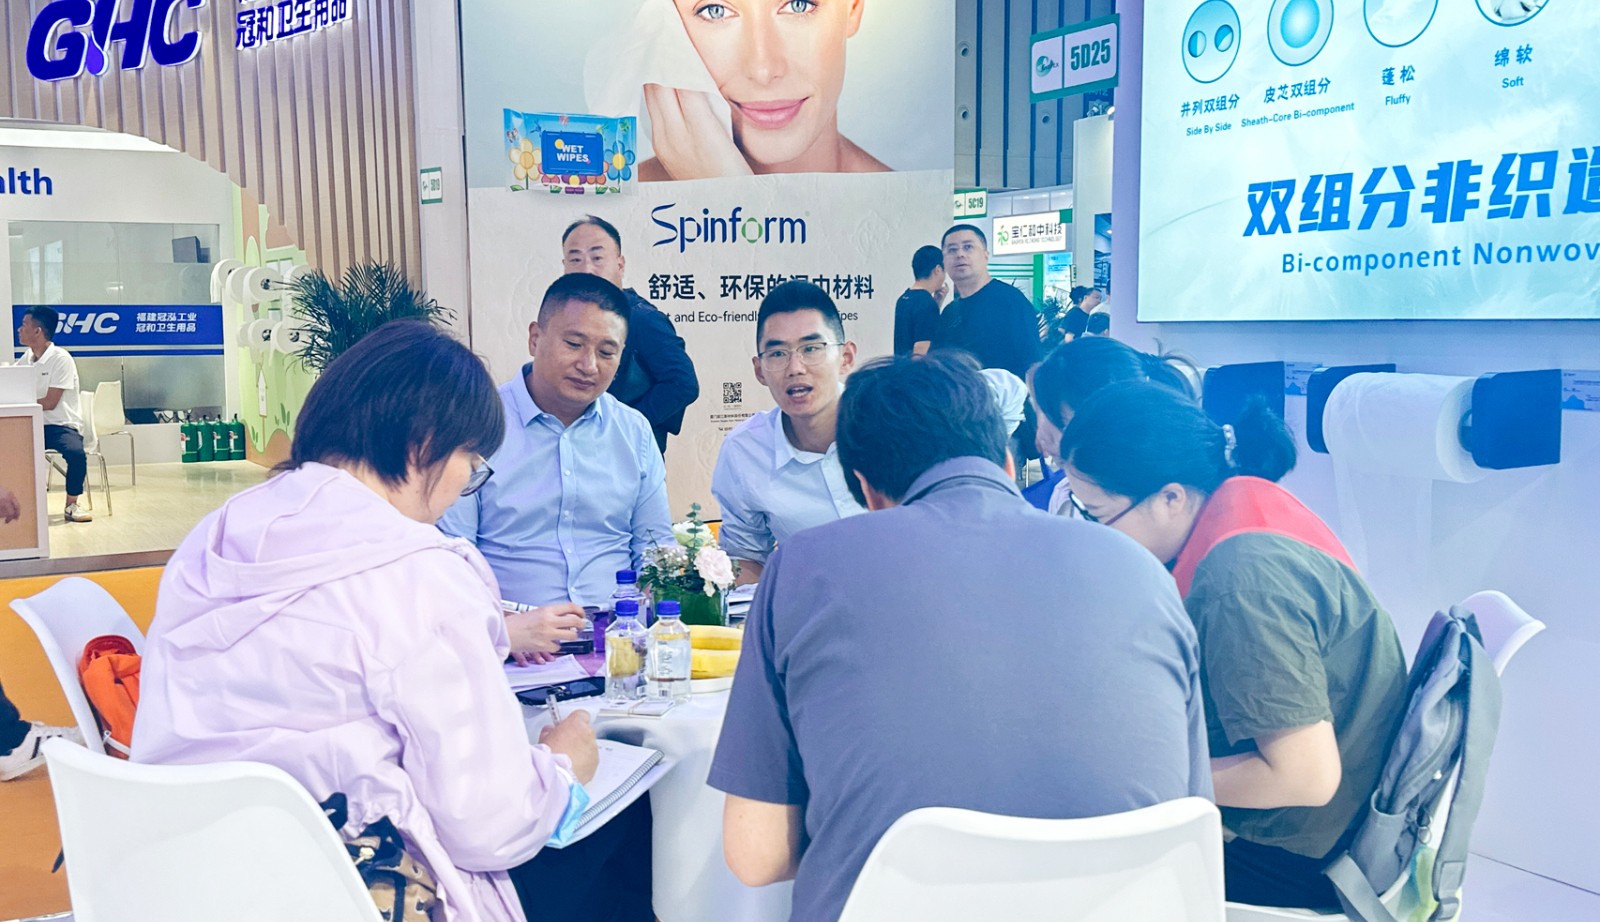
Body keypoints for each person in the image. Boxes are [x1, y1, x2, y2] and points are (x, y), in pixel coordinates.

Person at [709, 354, 1212, 922]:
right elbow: (1188, 816)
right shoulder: (1143, 571)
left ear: (866, 490)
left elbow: (758, 854)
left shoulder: (806, 565)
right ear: (1006, 461)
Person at [131, 320, 602, 922]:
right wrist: (562, 770)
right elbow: (489, 826)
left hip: (187, 877)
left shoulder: (217, 533)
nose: (465, 483)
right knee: (606, 857)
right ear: (424, 444)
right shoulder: (419, 573)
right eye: (470, 460)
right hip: (345, 886)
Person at [1058, 383, 1408, 909]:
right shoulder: (1247, 500)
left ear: (1171, 498)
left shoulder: (1241, 582)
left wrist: (1148, 778)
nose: (1093, 534)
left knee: (1061, 843)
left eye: (1097, 514)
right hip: (1332, 812)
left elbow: (1305, 778)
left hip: (1298, 850)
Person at [439, 273, 673, 626]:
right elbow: (455, 556)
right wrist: (505, 627)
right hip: (510, 637)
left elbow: (654, 548)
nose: (589, 365)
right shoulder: (476, 422)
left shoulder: (634, 431)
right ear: (535, 338)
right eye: (574, 344)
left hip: (616, 635)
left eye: (606, 352)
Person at [712, 280, 862, 586]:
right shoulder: (745, 451)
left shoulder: (897, 424)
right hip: (814, 608)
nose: (795, 368)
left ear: (846, 357)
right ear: (759, 370)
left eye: (811, 349)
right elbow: (746, 557)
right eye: (778, 353)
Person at [640, 0, 888, 180]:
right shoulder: (618, 216)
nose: (763, 71)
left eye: (799, 5)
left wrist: (727, 198)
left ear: (853, 8)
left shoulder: (908, 221)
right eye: (715, 10)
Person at [561, 215, 700, 453]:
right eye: (575, 259)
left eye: (597, 258)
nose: (586, 269)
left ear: (620, 264)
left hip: (628, 456)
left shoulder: (642, 319)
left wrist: (624, 426)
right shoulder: (564, 316)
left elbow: (683, 383)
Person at [931, 225, 1042, 379]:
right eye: (952, 250)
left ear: (985, 255)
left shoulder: (1010, 301)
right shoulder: (950, 313)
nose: (960, 254)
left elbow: (1032, 362)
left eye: (968, 247)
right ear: (944, 261)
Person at [15, 306, 90, 522]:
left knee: (76, 454)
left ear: (37, 331)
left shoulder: (61, 359)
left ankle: (72, 504)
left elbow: (50, 402)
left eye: (24, 325)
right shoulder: (27, 358)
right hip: (32, 424)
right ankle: (19, 504)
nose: (19, 329)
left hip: (60, 425)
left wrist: (23, 402)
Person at [893, 245, 946, 356]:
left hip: (900, 365)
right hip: (916, 367)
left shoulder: (904, 298)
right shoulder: (927, 304)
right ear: (938, 269)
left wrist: (937, 303)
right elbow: (920, 352)